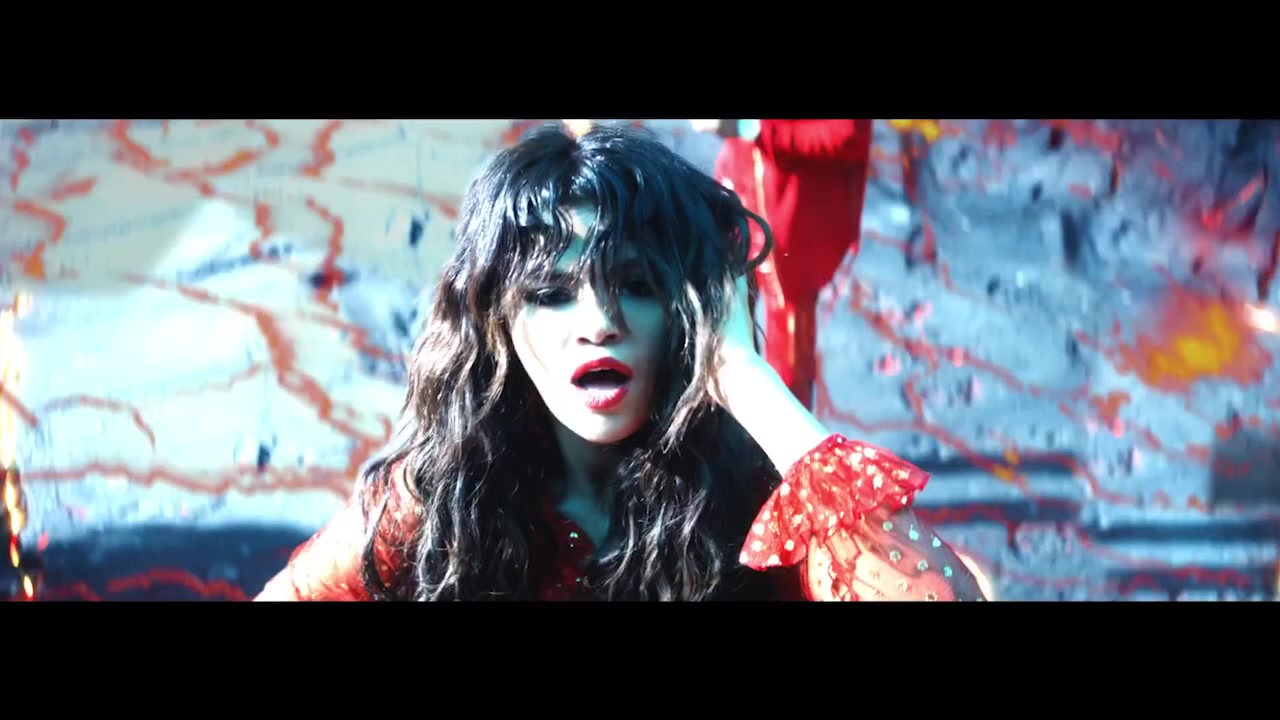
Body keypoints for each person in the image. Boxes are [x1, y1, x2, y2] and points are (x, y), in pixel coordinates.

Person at [255, 124, 983, 602]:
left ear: (686, 309)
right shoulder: (436, 502)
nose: (599, 323)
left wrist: (745, 376)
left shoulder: (762, 512)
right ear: (497, 322)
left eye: (635, 286)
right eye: (551, 294)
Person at [692, 119, 873, 409]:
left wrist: (752, 127)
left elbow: (847, 134)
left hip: (790, 215)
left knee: (788, 347)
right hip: (735, 190)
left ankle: (787, 434)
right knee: (722, 328)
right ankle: (730, 427)